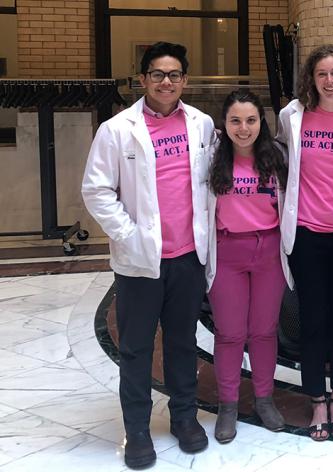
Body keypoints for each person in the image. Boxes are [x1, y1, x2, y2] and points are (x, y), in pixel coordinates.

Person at [81, 42, 216, 469]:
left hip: (188, 256)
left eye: (174, 74)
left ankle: (183, 418)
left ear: (185, 80)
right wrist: (129, 235)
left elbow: (212, 184)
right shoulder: (117, 128)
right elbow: (96, 190)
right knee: (137, 348)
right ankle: (137, 430)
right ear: (142, 79)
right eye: (157, 74)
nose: (166, 82)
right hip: (141, 261)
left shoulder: (202, 124)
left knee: (182, 342)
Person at [276, 45, 333, 441]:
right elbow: (281, 166)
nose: (330, 81)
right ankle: (316, 398)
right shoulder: (292, 116)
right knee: (312, 318)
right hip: (306, 234)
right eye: (321, 74)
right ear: (311, 79)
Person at [206, 90, 287, 444]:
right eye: (235, 120)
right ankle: (228, 404)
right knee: (229, 333)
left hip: (269, 251)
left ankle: (265, 398)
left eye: (251, 120)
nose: (243, 128)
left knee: (264, 331)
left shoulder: (276, 158)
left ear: (261, 122)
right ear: (224, 124)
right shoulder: (211, 160)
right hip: (227, 252)